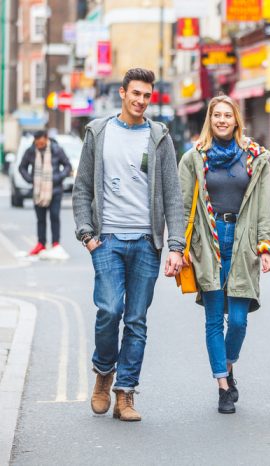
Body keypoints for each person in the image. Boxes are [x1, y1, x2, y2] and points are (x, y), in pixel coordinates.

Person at [73, 68, 185, 422]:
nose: (140, 101)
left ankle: (126, 393)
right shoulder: (99, 132)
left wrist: (176, 246)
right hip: (106, 239)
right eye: (135, 93)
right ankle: (104, 373)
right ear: (122, 93)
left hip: (145, 243)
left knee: (136, 319)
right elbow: (81, 189)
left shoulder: (159, 136)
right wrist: (87, 235)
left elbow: (173, 195)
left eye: (146, 95)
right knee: (109, 310)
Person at [179, 95, 270, 414]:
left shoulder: (255, 157)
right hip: (208, 241)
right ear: (210, 119)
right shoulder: (195, 157)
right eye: (216, 115)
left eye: (227, 115)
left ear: (236, 120)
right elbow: (182, 207)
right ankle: (222, 385)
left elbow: (263, 206)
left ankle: (229, 365)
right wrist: (180, 247)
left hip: (243, 240)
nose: (222, 120)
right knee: (212, 320)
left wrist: (266, 247)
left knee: (237, 320)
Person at [18, 130, 72, 259]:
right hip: (38, 191)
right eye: (37, 144)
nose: (39, 146)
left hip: (55, 191)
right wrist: (31, 179)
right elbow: (22, 167)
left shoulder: (56, 149)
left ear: (46, 139)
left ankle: (55, 243)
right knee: (40, 220)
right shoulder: (30, 150)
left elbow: (67, 166)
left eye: (41, 143)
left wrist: (57, 177)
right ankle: (41, 244)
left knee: (54, 217)